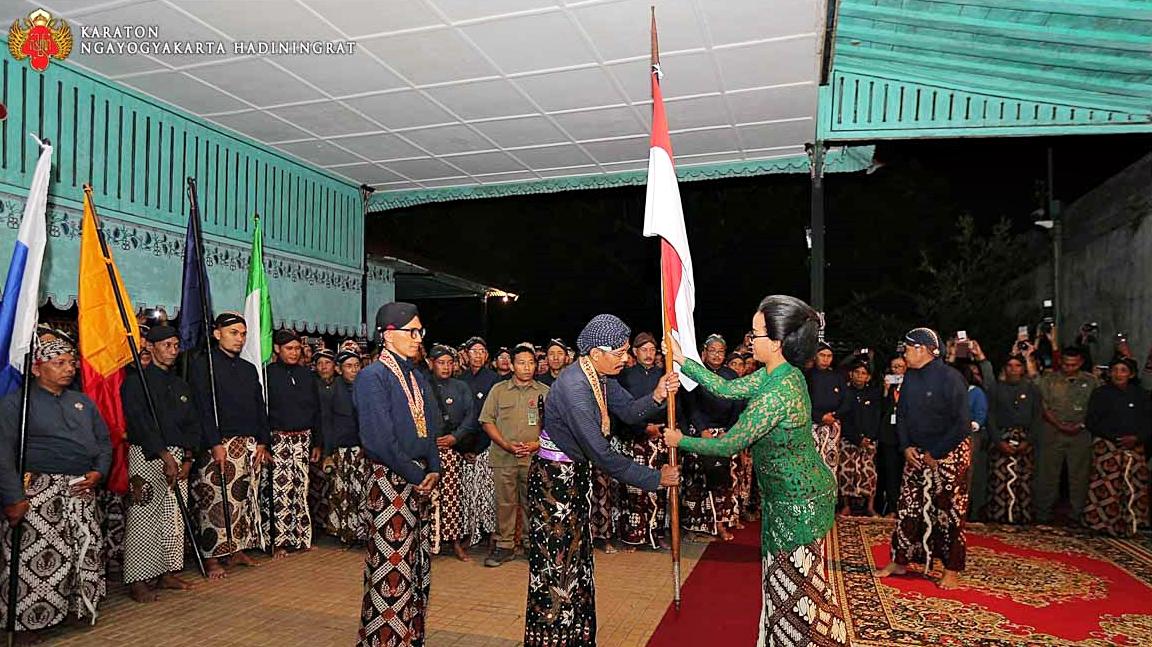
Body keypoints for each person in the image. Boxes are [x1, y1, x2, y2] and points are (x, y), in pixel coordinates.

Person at [666, 295, 845, 646]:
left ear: (776, 342)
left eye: (755, 334)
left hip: (800, 503)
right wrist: (683, 360)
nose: (750, 341)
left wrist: (680, 440)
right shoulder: (775, 374)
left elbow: (728, 444)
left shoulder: (777, 392)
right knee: (785, 583)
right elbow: (727, 387)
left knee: (798, 591)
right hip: (787, 497)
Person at [523, 314, 679, 647]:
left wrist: (658, 394)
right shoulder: (575, 388)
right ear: (597, 353)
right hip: (555, 488)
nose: (627, 358)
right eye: (621, 352)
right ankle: (553, 640)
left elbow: (630, 412)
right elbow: (603, 456)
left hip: (573, 479)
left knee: (576, 564)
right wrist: (656, 478)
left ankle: (576, 637)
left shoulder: (600, 377)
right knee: (557, 567)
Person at [0, 338, 111, 632]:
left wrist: (99, 472)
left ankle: (76, 610)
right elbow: (2, 451)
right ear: (36, 368)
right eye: (58, 363)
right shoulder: (17, 402)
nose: (68, 369)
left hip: (81, 488)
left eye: (71, 362)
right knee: (35, 559)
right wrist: (13, 496)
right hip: (38, 489)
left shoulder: (83, 402)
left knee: (82, 553)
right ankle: (26, 625)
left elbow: (103, 442)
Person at [355, 302, 441, 647]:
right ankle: (384, 639)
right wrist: (414, 472)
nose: (419, 339)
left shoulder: (416, 375)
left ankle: (410, 635)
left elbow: (431, 426)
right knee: (390, 566)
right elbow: (377, 439)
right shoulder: (372, 377)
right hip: (391, 479)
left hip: (418, 479)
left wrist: (433, 466)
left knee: (416, 563)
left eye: (421, 331)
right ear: (389, 334)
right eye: (413, 332)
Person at [874, 328, 972, 591]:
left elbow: (962, 424)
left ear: (922, 349)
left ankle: (951, 569)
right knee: (907, 507)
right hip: (916, 453)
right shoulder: (911, 378)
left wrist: (936, 452)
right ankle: (900, 560)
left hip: (948, 453)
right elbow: (902, 414)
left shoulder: (951, 378)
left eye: (907, 348)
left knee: (950, 512)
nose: (904, 354)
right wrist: (906, 446)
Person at [120, 325, 201, 602]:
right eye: (165, 345)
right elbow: (139, 422)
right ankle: (138, 579)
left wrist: (188, 457)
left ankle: (165, 571)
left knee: (172, 518)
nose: (172, 350)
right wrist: (165, 455)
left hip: (178, 458)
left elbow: (192, 423)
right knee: (143, 517)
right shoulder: (137, 382)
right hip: (148, 455)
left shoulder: (180, 384)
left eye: (175, 345)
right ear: (151, 347)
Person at [188, 312, 270, 579]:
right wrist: (213, 442)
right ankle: (213, 557)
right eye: (234, 333)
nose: (240, 338)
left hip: (248, 445)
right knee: (215, 501)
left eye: (243, 334)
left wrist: (262, 441)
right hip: (220, 444)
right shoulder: (203, 365)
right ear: (217, 334)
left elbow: (259, 406)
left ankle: (237, 549)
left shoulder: (248, 369)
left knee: (243, 500)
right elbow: (202, 407)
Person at [479, 344, 549, 567]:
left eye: (531, 363)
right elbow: (487, 420)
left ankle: (532, 544)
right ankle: (505, 546)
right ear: (511, 365)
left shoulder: (544, 392)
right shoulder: (499, 390)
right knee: (506, 504)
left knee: (533, 503)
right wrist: (506, 445)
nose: (527, 367)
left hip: (534, 458)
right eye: (521, 362)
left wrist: (536, 444)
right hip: (504, 457)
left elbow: (554, 427)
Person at [264, 329, 322, 556]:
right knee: (280, 492)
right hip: (278, 440)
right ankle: (277, 542)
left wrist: (317, 442)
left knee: (301, 489)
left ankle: (301, 538)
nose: (294, 353)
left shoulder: (307, 375)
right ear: (277, 349)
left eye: (298, 348)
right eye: (289, 348)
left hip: (304, 439)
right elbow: (262, 411)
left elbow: (317, 410)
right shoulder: (267, 375)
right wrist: (264, 443)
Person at [681, 333, 743, 542]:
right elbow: (690, 405)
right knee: (696, 481)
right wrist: (702, 429)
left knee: (723, 484)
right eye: (712, 351)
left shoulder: (731, 376)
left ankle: (721, 525)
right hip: (700, 434)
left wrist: (730, 431)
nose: (716, 355)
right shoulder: (695, 374)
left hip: (725, 434)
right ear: (704, 352)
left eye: (720, 351)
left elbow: (738, 406)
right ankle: (694, 526)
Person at [1081, 357, 1150, 536]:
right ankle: (1102, 524)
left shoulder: (1141, 394)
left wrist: (1137, 438)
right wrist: (1115, 438)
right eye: (1115, 370)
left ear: (1131, 374)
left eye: (1123, 371)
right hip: (1107, 446)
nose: (1119, 374)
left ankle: (1133, 524)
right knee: (1107, 486)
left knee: (1134, 486)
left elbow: (1148, 422)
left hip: (1135, 446)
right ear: (1110, 373)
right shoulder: (1101, 393)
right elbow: (1091, 421)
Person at [617, 332, 671, 551]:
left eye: (652, 350)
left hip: (661, 437)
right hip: (635, 438)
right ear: (634, 352)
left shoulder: (664, 375)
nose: (648, 354)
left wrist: (663, 428)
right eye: (643, 350)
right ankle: (633, 537)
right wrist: (643, 427)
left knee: (660, 486)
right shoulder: (624, 376)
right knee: (635, 489)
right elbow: (621, 411)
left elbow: (676, 407)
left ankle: (657, 533)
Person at [976, 345, 1042, 524]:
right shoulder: (995, 389)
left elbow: (1037, 417)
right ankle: (999, 516)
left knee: (1024, 480)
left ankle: (1022, 517)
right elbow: (989, 417)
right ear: (1005, 368)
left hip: (1024, 439)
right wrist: (998, 441)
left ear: (1023, 369)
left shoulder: (1032, 390)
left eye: (1018, 366)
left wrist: (1028, 441)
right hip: (1000, 438)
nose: (1014, 369)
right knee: (998, 481)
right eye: (1010, 366)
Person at [1035, 347, 1099, 525]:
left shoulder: (1092, 381)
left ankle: (1077, 514)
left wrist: (1081, 424)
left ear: (1080, 363)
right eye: (1065, 364)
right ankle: (1042, 513)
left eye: (1073, 364)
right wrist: (1058, 424)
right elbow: (1043, 406)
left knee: (1079, 475)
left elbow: (1096, 407)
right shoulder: (1049, 380)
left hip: (1081, 433)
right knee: (1047, 473)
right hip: (1052, 431)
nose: (1068, 367)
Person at [427, 343, 479, 561]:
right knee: (426, 497)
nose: (446, 367)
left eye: (450, 363)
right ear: (431, 363)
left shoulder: (461, 387)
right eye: (441, 363)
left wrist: (455, 438)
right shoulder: (422, 385)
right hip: (426, 451)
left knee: (452, 498)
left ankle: (455, 542)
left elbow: (471, 416)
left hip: (451, 450)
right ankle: (428, 542)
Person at [319, 350, 370, 545]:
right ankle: (346, 534)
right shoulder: (331, 391)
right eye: (349, 366)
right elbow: (327, 423)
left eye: (357, 365)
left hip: (363, 449)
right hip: (341, 450)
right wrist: (328, 453)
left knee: (362, 491)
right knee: (343, 493)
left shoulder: (365, 389)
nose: (354, 370)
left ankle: (363, 532)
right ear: (339, 369)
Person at [839, 358, 881, 516]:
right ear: (851, 374)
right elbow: (843, 417)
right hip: (849, 440)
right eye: (857, 372)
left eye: (863, 373)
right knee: (846, 472)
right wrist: (856, 439)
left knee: (869, 474)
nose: (859, 376)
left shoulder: (874, 393)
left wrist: (869, 438)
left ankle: (869, 506)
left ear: (868, 377)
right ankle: (845, 506)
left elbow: (877, 417)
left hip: (869, 441)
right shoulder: (845, 392)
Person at [806, 341, 850, 477]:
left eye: (829, 356)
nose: (826, 359)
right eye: (822, 355)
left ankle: (829, 495)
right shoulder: (807, 376)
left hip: (833, 424)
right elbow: (803, 401)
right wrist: (819, 417)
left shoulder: (838, 377)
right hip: (811, 424)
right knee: (810, 463)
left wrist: (835, 415)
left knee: (830, 463)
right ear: (815, 356)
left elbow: (847, 401)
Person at [876, 355, 906, 516]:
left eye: (900, 366)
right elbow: (880, 410)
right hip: (888, 436)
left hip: (906, 437)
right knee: (890, 473)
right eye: (894, 367)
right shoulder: (887, 389)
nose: (897, 370)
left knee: (904, 473)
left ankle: (904, 507)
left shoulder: (911, 386)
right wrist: (886, 391)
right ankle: (892, 507)